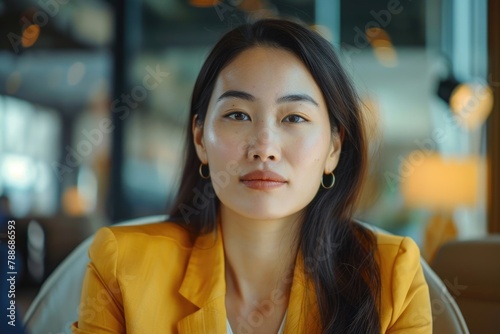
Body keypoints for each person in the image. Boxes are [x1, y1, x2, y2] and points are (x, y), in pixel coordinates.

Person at [72, 18, 431, 334]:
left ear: (333, 148)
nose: (264, 148)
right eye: (238, 115)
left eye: (294, 118)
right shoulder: (123, 267)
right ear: (200, 139)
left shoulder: (390, 277)